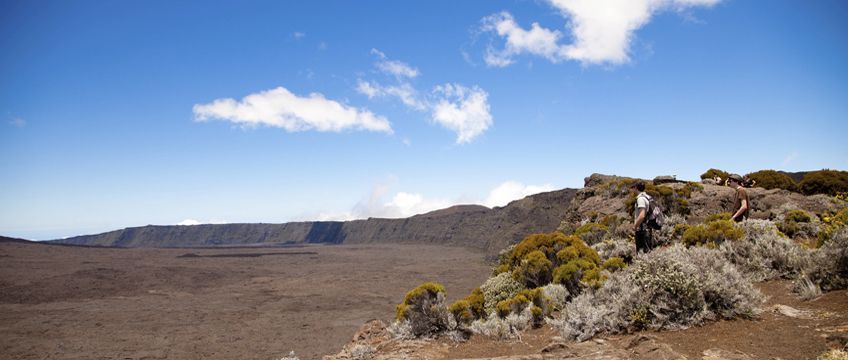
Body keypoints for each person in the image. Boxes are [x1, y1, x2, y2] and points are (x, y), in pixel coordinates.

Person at [631, 180, 653, 253]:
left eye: (633, 187)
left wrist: (635, 226)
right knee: (647, 251)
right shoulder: (647, 196)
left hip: (642, 229)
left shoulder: (640, 199)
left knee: (642, 253)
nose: (633, 189)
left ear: (636, 188)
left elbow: (642, 215)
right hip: (647, 227)